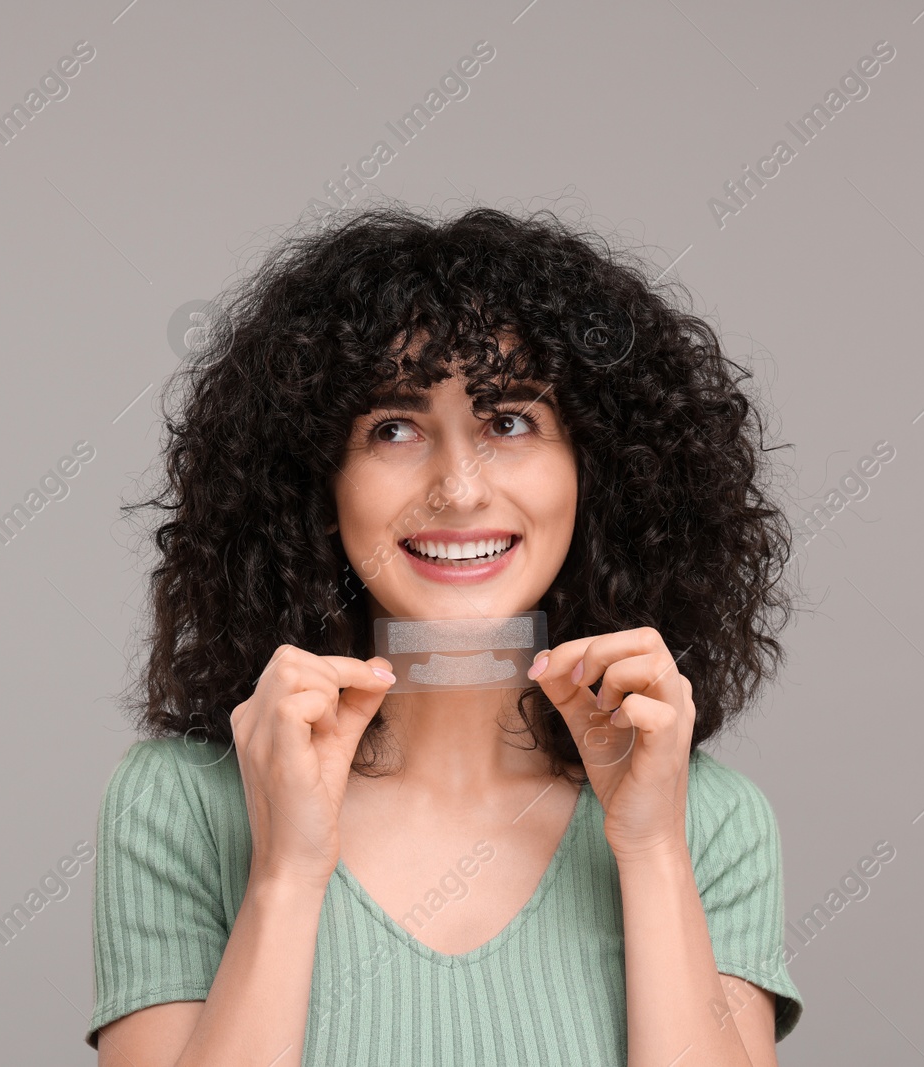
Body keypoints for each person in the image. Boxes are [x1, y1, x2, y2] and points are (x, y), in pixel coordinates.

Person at [88, 202, 804, 1065]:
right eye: (394, 428)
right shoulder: (185, 807)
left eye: (509, 422)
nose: (458, 490)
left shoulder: (712, 822)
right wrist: (285, 872)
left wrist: (652, 850)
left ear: (597, 471)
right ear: (318, 480)